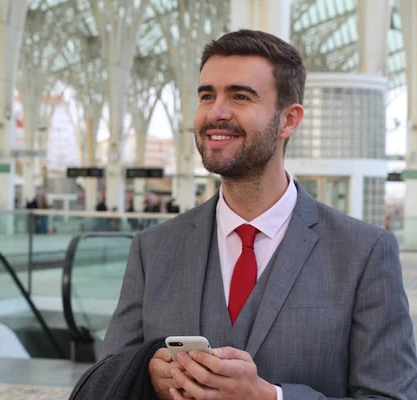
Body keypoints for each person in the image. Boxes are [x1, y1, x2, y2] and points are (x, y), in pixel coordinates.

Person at [102, 30, 417, 399]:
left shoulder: (363, 253)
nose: (216, 112)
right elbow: (109, 377)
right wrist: (145, 375)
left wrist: (272, 397)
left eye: (240, 96)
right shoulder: (152, 249)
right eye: (207, 95)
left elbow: (391, 395)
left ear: (289, 120)